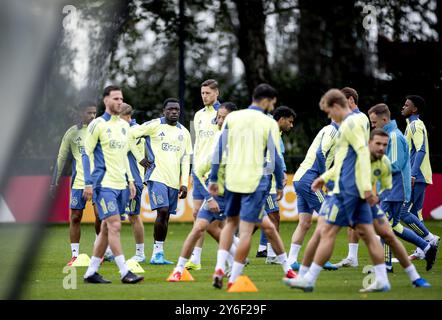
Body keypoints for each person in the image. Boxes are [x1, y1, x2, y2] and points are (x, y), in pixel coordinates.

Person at [284, 89, 390, 293]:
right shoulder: (353, 123)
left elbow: (361, 153)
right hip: (349, 187)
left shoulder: (349, 124)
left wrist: (366, 188)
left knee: (326, 230)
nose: (328, 116)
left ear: (336, 106)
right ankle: (383, 278)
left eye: (328, 111)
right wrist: (325, 178)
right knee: (366, 233)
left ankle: (308, 277)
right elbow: (346, 159)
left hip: (347, 190)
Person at [209, 84, 296, 289]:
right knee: (246, 231)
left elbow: (219, 150)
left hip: (232, 180)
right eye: (272, 102)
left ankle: (220, 267)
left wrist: (214, 178)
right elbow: (274, 156)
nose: (272, 106)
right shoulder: (268, 123)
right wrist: (280, 179)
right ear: (266, 100)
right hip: (254, 182)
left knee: (231, 224)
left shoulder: (233, 117)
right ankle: (233, 279)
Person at [168, 102, 237, 282]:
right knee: (199, 227)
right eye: (218, 117)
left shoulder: (242, 141)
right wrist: (209, 197)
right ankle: (179, 269)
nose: (218, 120)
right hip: (216, 196)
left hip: (234, 197)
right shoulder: (218, 140)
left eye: (223, 117)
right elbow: (197, 171)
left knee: (262, 228)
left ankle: (235, 265)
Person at [82, 85, 143, 284]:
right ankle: (125, 272)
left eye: (121, 99)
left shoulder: (125, 126)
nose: (120, 102)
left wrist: (131, 180)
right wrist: (88, 183)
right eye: (116, 98)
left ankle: (91, 272)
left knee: (107, 229)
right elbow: (86, 153)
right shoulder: (97, 125)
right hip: (103, 184)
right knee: (115, 225)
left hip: (121, 185)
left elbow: (124, 155)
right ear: (105, 100)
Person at [366, 104, 438, 271]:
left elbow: (396, 165)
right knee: (394, 226)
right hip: (390, 190)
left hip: (394, 191)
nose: (373, 125)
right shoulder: (389, 136)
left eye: (374, 122)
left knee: (384, 225)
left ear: (384, 119)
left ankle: (387, 264)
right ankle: (426, 247)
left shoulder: (394, 137)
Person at [363, 128, 431, 287]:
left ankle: (411, 275)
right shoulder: (359, 157)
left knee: (387, 234)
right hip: (349, 202)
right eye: (378, 143)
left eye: (385, 145)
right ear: (369, 143)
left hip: (368, 203)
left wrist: (377, 197)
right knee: (325, 232)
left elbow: (387, 182)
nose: (381, 148)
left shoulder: (385, 161)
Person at [130, 98, 192, 265]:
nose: (174, 112)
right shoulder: (154, 125)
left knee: (165, 217)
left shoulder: (184, 133)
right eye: (170, 109)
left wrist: (184, 183)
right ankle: (156, 254)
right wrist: (139, 158)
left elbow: (186, 159)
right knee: (162, 211)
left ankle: (159, 253)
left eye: (177, 110)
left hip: (173, 181)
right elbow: (130, 135)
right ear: (164, 111)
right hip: (155, 176)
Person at [50, 101, 100, 266]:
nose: (93, 116)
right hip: (79, 183)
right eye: (89, 113)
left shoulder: (101, 129)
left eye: (94, 112)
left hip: (100, 181)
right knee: (75, 217)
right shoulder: (72, 133)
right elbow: (61, 157)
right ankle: (75, 255)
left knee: (101, 216)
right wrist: (54, 182)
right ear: (80, 113)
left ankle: (100, 251)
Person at [287, 119, 339, 271]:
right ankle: (321, 259)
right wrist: (324, 178)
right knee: (329, 217)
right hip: (309, 179)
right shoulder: (332, 130)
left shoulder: (328, 129)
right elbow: (320, 153)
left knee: (304, 223)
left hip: (300, 178)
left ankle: (291, 260)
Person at [333, 87, 371, 268]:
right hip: (350, 177)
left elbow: (360, 149)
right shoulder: (350, 120)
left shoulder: (359, 118)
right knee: (354, 221)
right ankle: (352, 257)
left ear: (350, 100)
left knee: (328, 226)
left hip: (356, 178)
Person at [186, 79, 221, 270]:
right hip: (199, 173)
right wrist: (192, 169)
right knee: (196, 214)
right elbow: (194, 144)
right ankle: (196, 259)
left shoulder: (224, 114)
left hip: (214, 173)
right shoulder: (198, 116)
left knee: (217, 219)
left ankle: (232, 248)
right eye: (202, 93)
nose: (204, 96)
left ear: (216, 93)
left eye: (207, 93)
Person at [255, 106, 296, 264]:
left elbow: (277, 157)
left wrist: (282, 172)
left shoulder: (275, 133)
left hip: (269, 181)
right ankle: (272, 255)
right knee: (272, 216)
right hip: (263, 181)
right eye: (290, 122)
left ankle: (269, 253)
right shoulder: (269, 131)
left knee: (264, 217)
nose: (291, 126)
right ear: (282, 119)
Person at [401, 95, 440, 260]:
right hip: (419, 176)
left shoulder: (415, 125)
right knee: (416, 214)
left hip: (417, 176)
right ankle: (420, 249)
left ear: (414, 109)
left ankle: (429, 238)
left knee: (402, 212)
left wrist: (413, 174)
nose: (403, 107)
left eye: (406, 105)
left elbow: (421, 150)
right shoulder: (413, 125)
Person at [119, 103, 147, 263]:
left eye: (119, 117)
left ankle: (140, 253)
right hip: (118, 180)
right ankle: (108, 250)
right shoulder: (125, 129)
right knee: (113, 217)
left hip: (133, 181)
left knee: (133, 216)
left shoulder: (135, 131)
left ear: (127, 117)